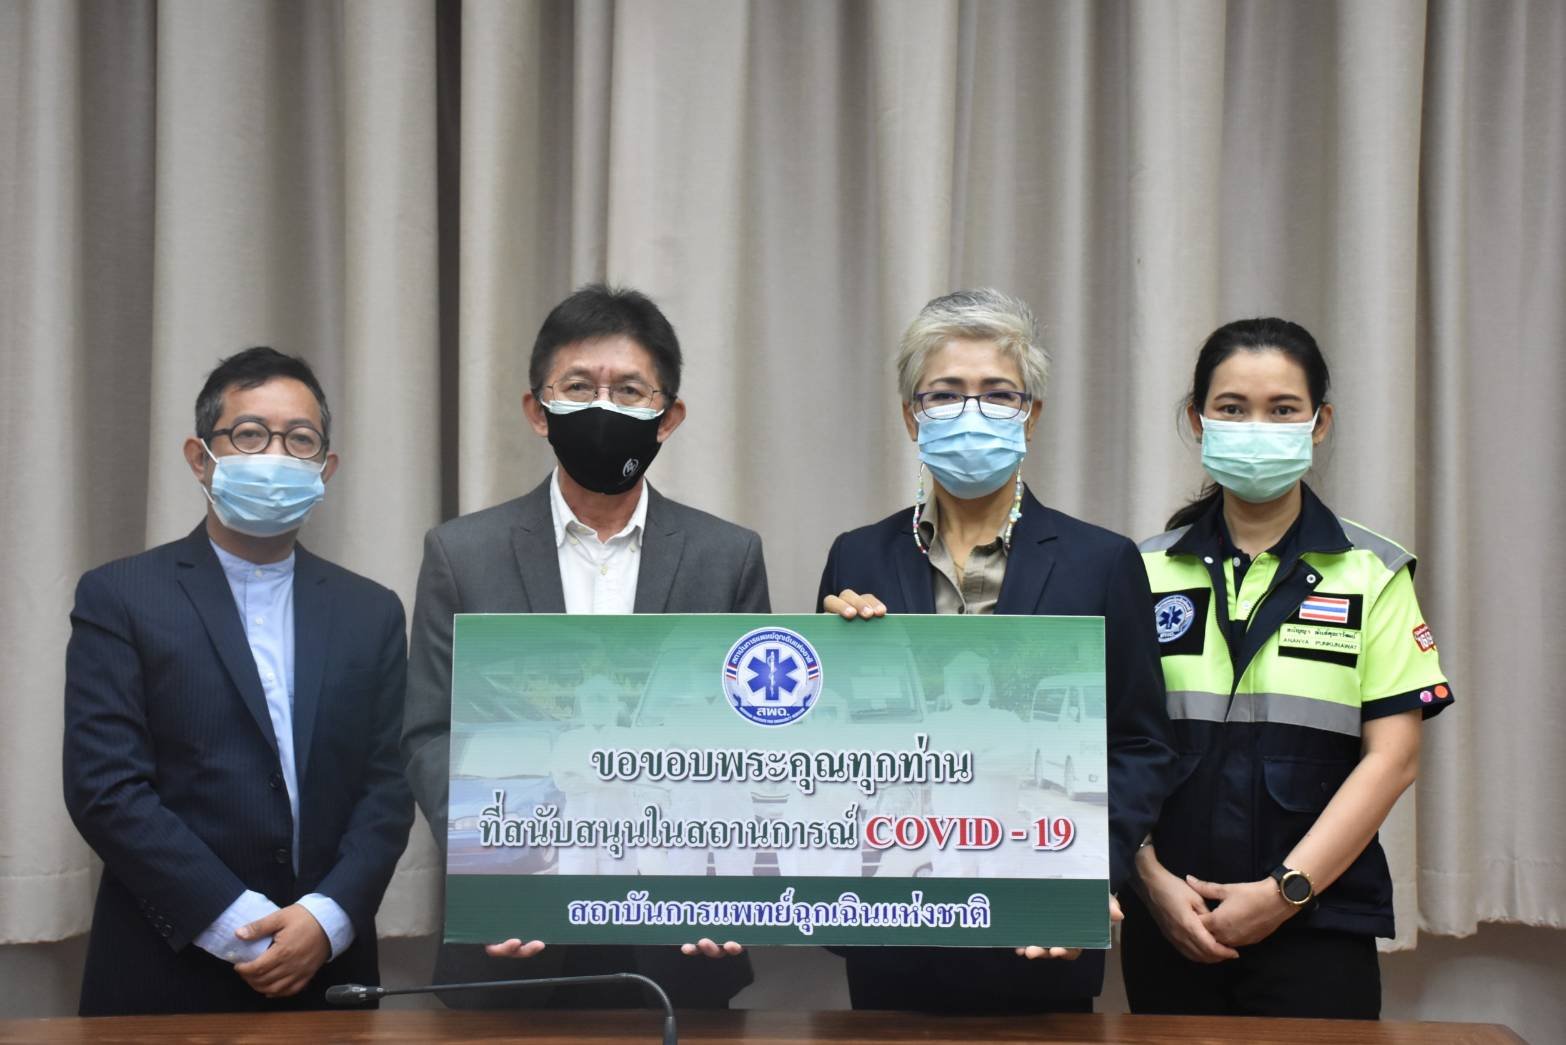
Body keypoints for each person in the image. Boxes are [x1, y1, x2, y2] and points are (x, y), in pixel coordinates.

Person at [401, 283, 769, 1009]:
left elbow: (749, 740)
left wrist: (727, 875)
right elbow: (430, 734)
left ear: (668, 417)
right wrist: (497, 862)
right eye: (578, 387)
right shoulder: (462, 554)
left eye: (629, 390)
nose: (604, 407)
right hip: (513, 933)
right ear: (537, 409)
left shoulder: (727, 556)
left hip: (679, 938)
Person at [817, 288, 1178, 1012]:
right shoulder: (858, 556)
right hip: (893, 925)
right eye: (946, 394)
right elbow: (821, 748)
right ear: (911, 415)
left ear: (1031, 415)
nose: (971, 412)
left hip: (1038, 931)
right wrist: (836, 668)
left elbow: (1141, 744)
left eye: (997, 394)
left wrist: (1088, 871)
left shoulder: (1101, 561)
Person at [62, 347, 414, 1015]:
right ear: (200, 458)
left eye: (300, 439)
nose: (275, 455)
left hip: (328, 970)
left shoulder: (371, 610)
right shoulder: (121, 596)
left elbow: (388, 787)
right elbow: (105, 787)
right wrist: (236, 924)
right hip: (165, 968)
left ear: (326, 469)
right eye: (250, 434)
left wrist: (327, 917)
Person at [1121, 317, 1454, 1019]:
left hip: (1319, 924)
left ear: (1319, 422)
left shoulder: (1374, 572)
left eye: (1281, 410)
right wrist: (1147, 878)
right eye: (1232, 408)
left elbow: (1393, 759)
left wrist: (1285, 892)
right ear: (1198, 420)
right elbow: (1108, 744)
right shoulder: (1140, 570)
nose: (1256, 428)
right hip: (1171, 920)